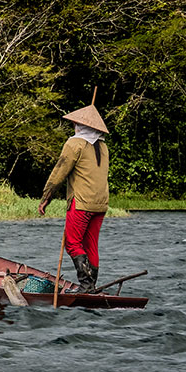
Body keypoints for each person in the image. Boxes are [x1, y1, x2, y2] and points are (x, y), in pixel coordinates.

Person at [38, 102, 109, 291]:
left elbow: (59, 172)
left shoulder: (74, 143)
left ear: (81, 126)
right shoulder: (103, 147)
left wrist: (47, 196)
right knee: (90, 245)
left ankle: (86, 285)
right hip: (100, 204)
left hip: (82, 202)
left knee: (72, 243)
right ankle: (91, 284)